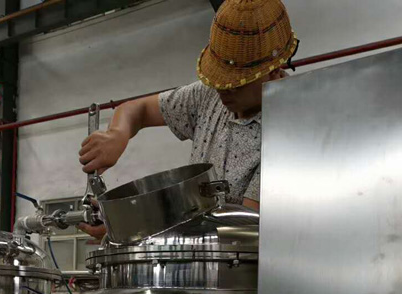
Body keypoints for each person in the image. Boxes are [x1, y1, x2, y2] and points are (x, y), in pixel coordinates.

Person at [78, 0, 298, 238]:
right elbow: (137, 111)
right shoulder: (208, 97)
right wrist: (117, 134)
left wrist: (134, 227)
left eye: (236, 83)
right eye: (218, 80)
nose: (223, 90)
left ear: (273, 70)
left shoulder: (290, 129)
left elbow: (242, 234)